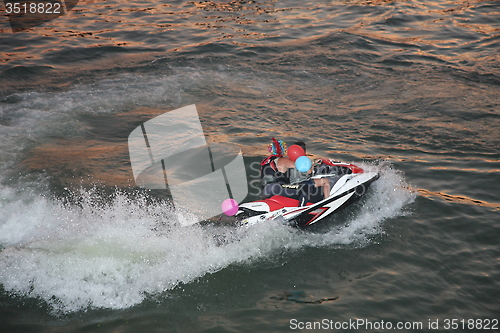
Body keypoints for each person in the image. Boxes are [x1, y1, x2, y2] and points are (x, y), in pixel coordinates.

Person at [260, 139, 331, 205]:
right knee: (304, 188)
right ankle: (303, 208)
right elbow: (301, 166)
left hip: (266, 189)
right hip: (278, 188)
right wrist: (314, 163)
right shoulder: (282, 160)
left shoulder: (266, 162)